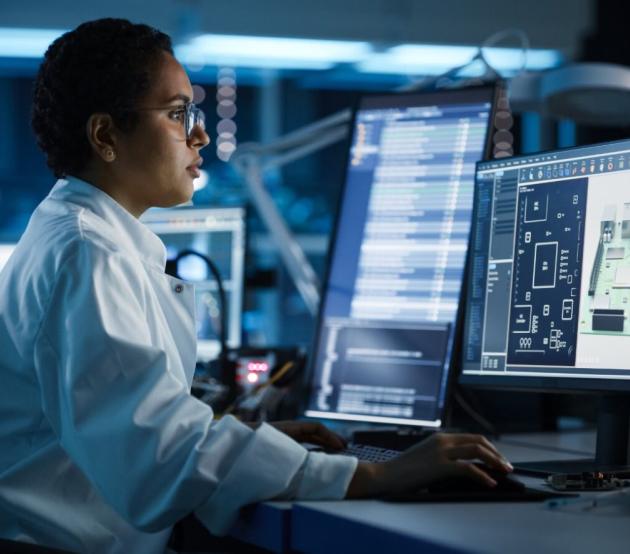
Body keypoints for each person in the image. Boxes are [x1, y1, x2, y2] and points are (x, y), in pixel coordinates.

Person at [0, 18, 512, 554]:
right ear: (106, 135)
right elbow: (160, 457)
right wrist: (375, 477)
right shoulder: (87, 253)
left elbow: (136, 424)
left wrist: (260, 448)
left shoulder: (82, 236)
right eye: (177, 115)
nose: (199, 135)